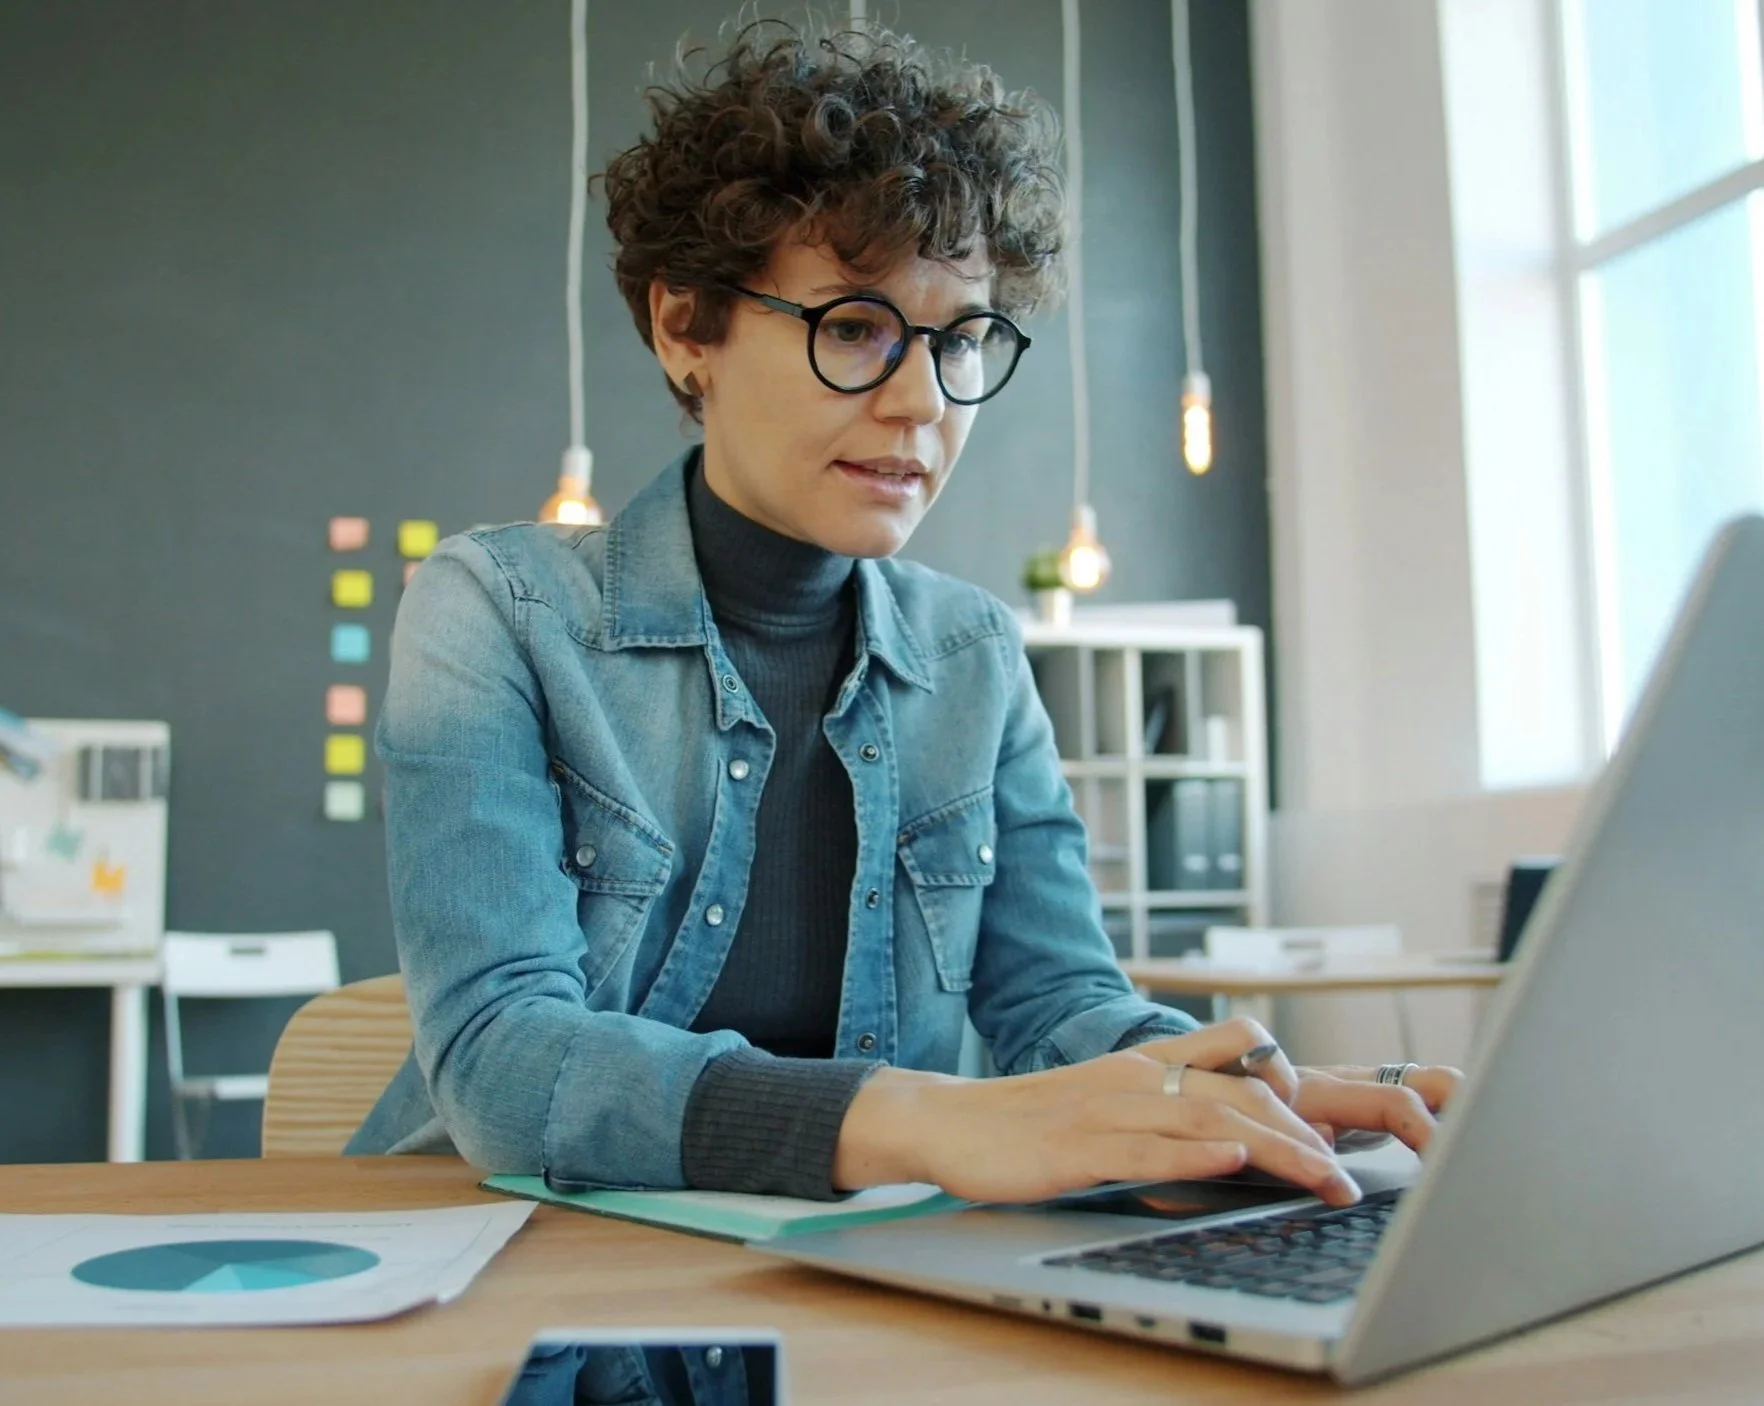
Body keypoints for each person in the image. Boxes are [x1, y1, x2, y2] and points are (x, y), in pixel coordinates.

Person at [347, 19, 1457, 1206]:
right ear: (686, 328)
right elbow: (503, 1057)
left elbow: (1055, 1004)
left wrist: (1219, 1097)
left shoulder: (973, 654)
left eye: (962, 337)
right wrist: (929, 1121)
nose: (923, 400)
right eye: (858, 328)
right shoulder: (496, 611)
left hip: (860, 1274)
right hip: (498, 1259)